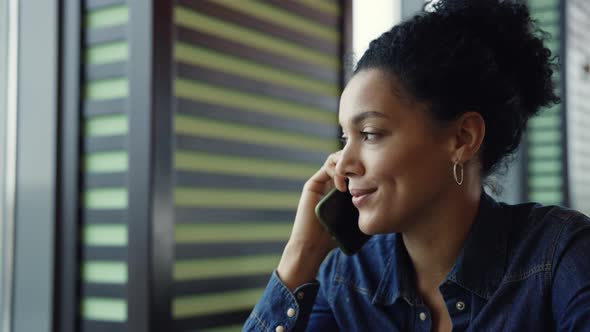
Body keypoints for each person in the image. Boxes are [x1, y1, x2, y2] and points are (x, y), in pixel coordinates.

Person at [243, 0, 590, 331]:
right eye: (344, 138)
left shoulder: (561, 256)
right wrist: (300, 256)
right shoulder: (347, 278)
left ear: (462, 138)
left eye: (369, 133)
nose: (342, 165)